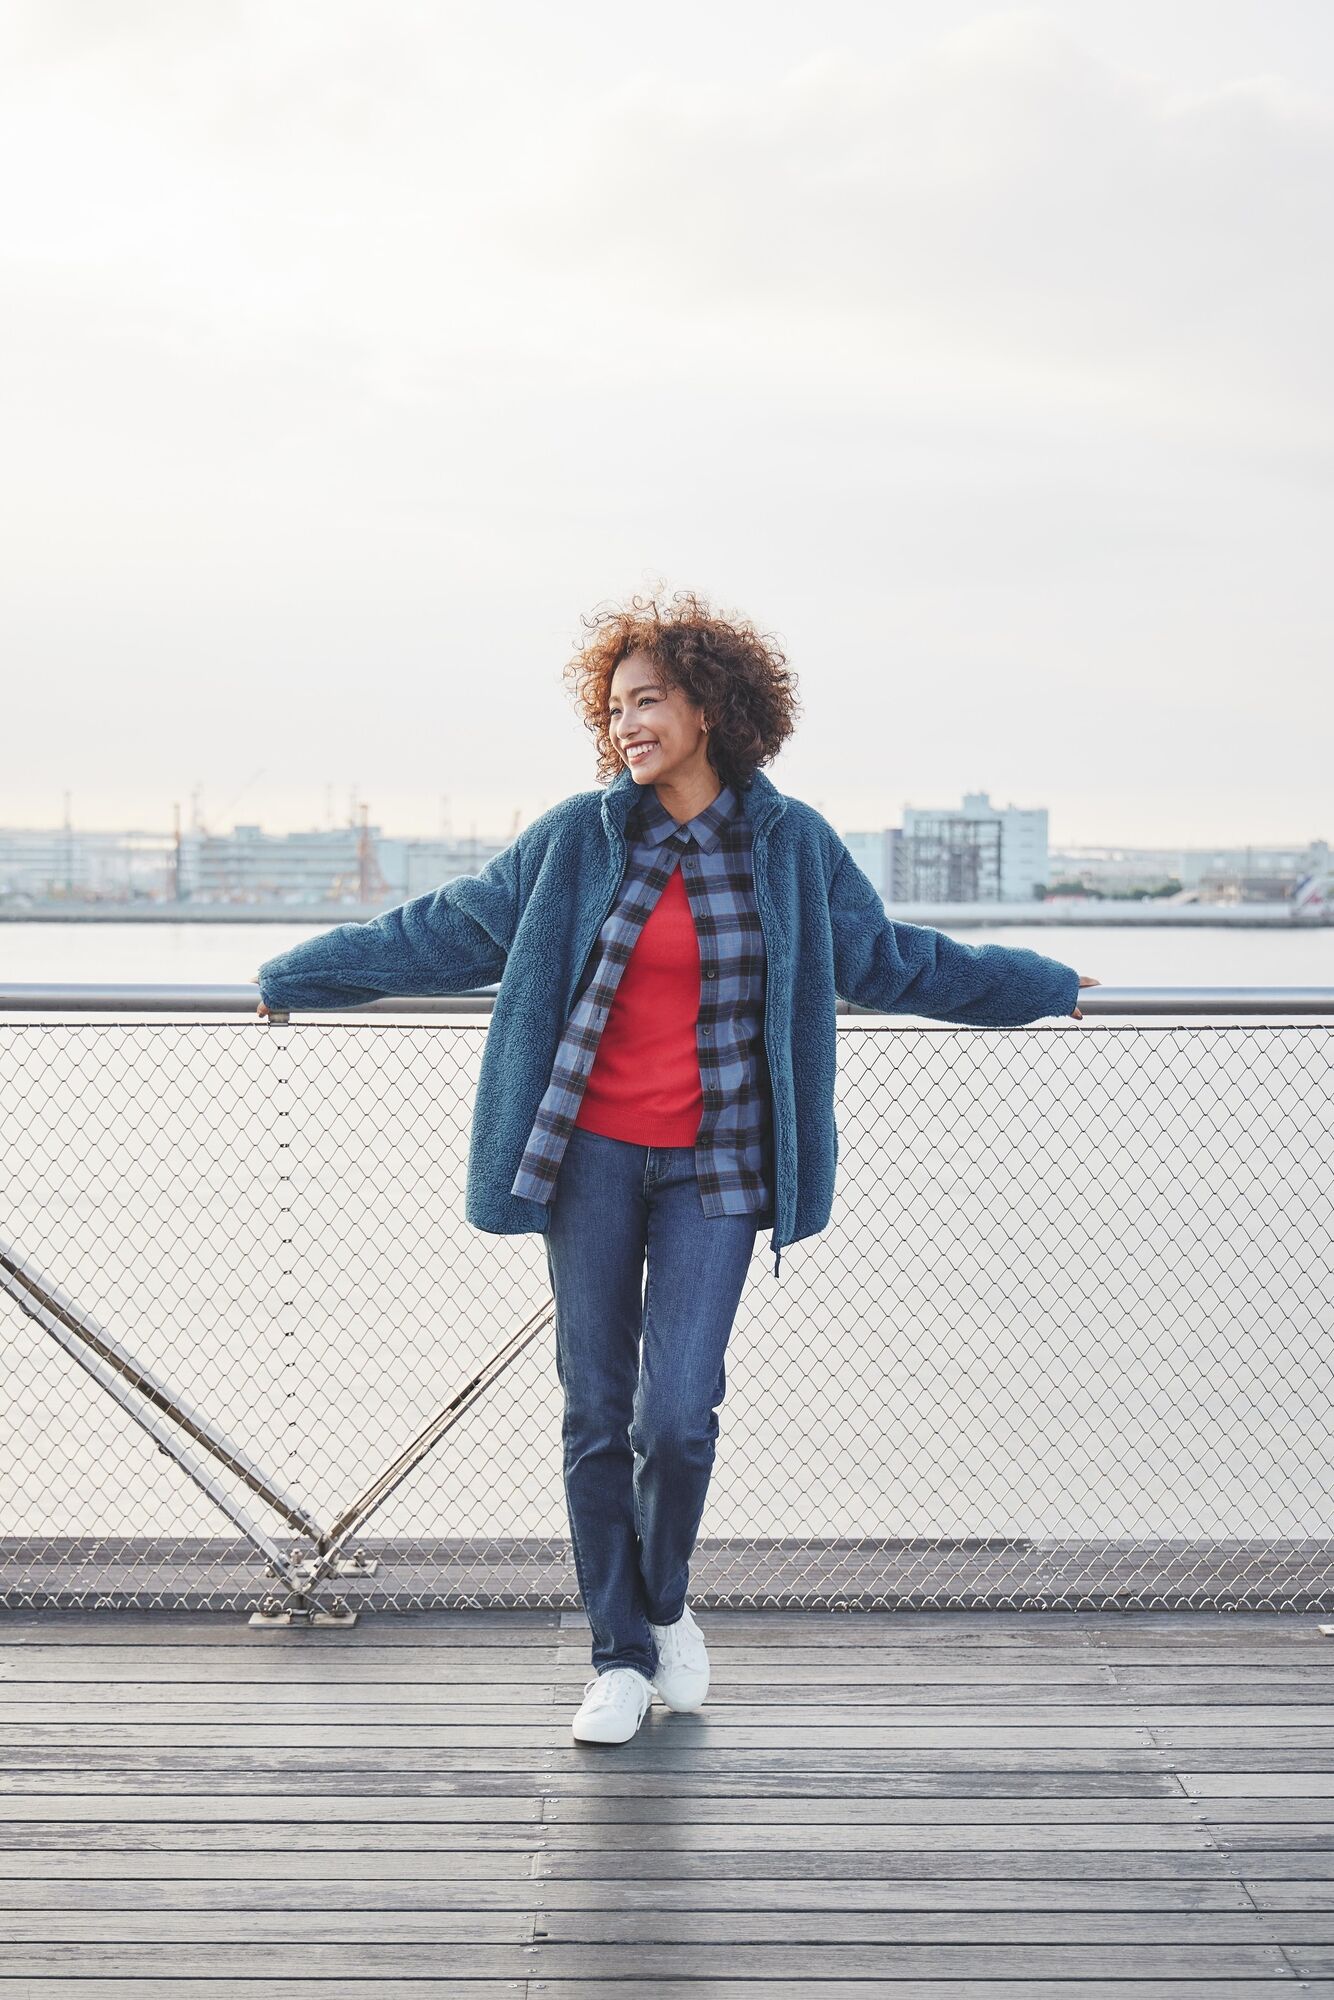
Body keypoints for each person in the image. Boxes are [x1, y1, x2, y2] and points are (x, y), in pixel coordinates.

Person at [253, 588, 1100, 1748]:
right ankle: (617, 1653)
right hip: (589, 1157)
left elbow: (890, 959)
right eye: (613, 709)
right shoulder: (578, 838)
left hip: (721, 1162)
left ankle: (660, 1603)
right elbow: (443, 929)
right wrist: (295, 973)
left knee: (679, 1412)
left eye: (646, 701)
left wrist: (1036, 984)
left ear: (710, 707)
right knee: (596, 1407)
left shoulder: (790, 844)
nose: (626, 725)